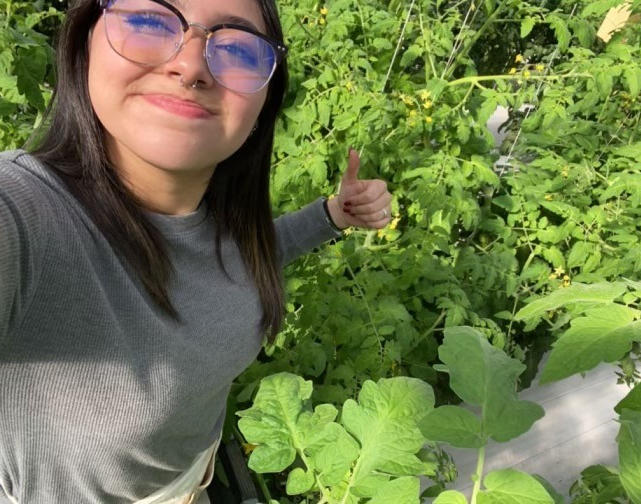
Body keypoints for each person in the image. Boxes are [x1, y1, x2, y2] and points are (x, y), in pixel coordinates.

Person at [0, 0, 392, 502]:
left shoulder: (217, 222)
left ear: (263, 102)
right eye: (147, 20)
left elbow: (236, 264)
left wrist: (332, 217)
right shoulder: (26, 215)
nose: (190, 64)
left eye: (235, 47)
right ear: (83, 46)